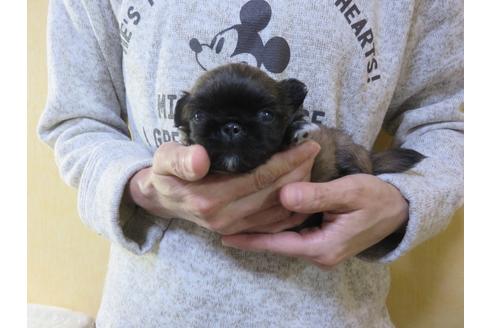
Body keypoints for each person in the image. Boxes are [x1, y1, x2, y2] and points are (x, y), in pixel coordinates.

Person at [38, 0, 463, 327]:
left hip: (334, 310)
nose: (232, 132)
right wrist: (140, 185)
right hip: (148, 310)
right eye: (207, 119)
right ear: (184, 115)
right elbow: (77, 119)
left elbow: (457, 120)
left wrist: (402, 203)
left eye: (261, 117)